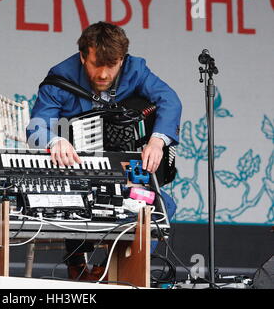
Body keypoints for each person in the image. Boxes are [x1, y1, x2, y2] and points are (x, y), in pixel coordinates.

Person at [26, 21, 182, 280]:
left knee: (161, 204)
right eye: (96, 65)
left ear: (122, 59)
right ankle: (79, 265)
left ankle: (120, 272)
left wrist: (157, 140)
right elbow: (37, 128)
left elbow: (169, 100)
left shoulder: (136, 69)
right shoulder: (60, 78)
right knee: (85, 200)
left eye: (112, 66)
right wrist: (55, 141)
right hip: (74, 172)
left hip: (121, 173)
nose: (103, 74)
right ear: (82, 56)